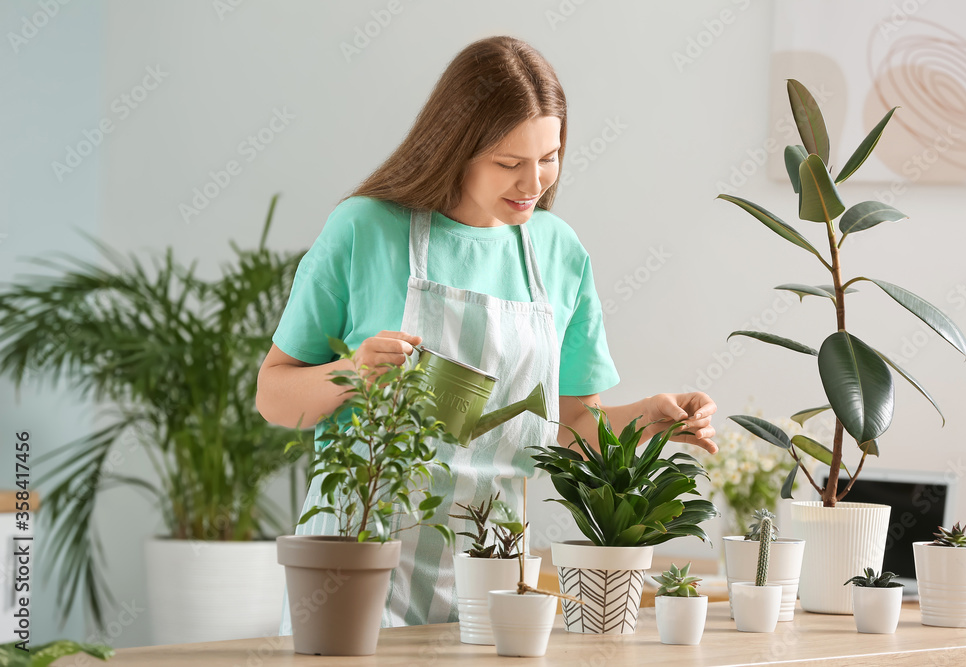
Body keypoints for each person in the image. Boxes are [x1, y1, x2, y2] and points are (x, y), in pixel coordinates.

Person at [258, 35, 718, 631]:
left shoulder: (559, 253)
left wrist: (646, 420)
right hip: (353, 567)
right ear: (456, 146)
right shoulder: (364, 230)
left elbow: (570, 430)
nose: (534, 182)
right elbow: (273, 395)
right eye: (509, 163)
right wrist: (354, 375)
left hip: (492, 578)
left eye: (549, 157)